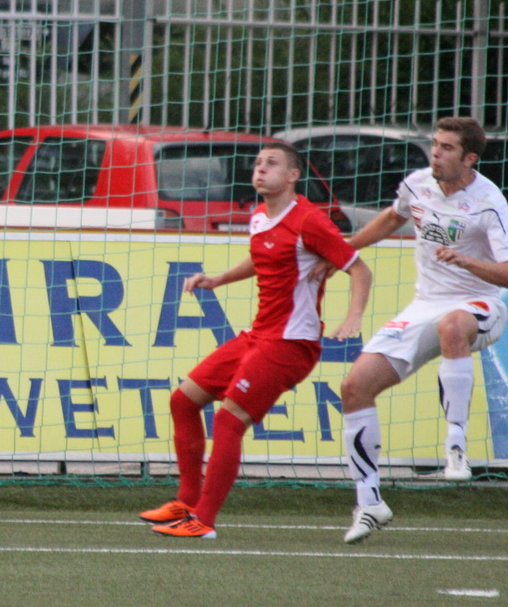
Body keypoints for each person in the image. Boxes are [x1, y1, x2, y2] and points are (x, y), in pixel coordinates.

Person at [140, 143, 372, 539]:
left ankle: (204, 522)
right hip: (259, 335)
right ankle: (186, 502)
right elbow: (260, 258)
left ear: (293, 176)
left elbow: (359, 269)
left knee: (229, 420)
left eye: (272, 164)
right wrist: (217, 278)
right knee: (183, 400)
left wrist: (352, 317)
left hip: (290, 344)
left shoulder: (310, 221)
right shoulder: (260, 215)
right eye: (258, 163)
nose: (260, 169)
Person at [337, 116, 508, 544]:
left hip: (480, 304)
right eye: (435, 144)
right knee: (355, 386)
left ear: (469, 159)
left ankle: (456, 449)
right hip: (423, 306)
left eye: (447, 148)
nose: (436, 152)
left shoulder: (490, 202)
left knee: (453, 325)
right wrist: (341, 250)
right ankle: (370, 503)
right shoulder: (418, 184)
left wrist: (469, 262)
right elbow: (392, 219)